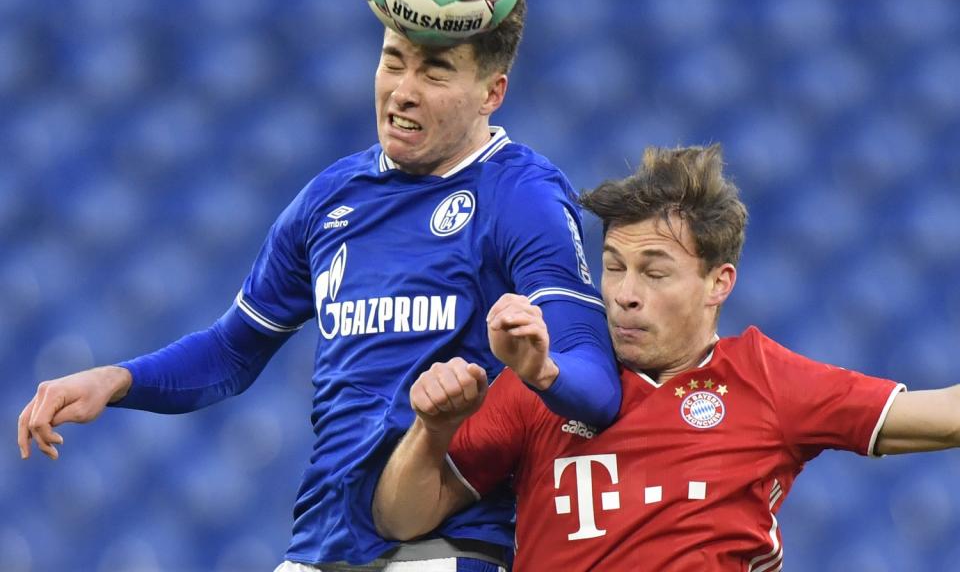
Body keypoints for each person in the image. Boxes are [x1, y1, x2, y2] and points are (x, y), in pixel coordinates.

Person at [16, 0, 622, 572]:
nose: (403, 92)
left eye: (435, 73)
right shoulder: (331, 198)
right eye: (392, 61)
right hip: (320, 547)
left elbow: (597, 383)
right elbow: (233, 350)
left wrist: (542, 372)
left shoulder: (522, 195)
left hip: (440, 549)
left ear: (492, 92)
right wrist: (118, 379)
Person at [373, 144, 960, 571]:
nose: (626, 292)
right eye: (613, 266)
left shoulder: (765, 380)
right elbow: (400, 519)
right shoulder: (542, 377)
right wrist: (433, 427)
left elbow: (946, 417)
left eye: (655, 272)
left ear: (718, 282)